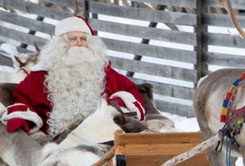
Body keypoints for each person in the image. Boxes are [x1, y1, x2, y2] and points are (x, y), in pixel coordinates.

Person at [1, 16, 145, 138]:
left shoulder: (103, 71)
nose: (79, 42)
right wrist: (23, 117)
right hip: (61, 139)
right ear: (61, 44)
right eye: (73, 38)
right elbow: (23, 98)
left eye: (83, 38)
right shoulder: (40, 75)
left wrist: (115, 105)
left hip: (105, 133)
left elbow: (131, 91)